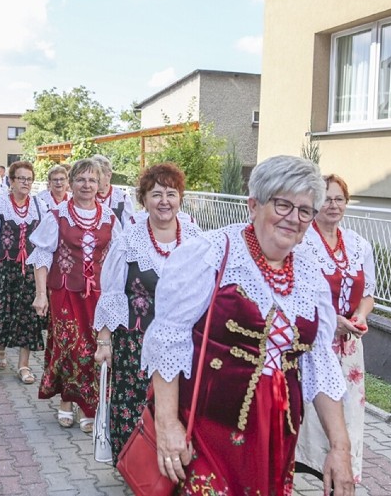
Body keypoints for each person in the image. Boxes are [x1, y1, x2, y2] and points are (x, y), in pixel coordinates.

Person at [141, 155, 355, 496]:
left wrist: (340, 449)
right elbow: (168, 338)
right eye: (283, 204)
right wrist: (168, 425)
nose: (294, 218)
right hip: (207, 427)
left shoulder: (310, 273)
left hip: (276, 431)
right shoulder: (212, 253)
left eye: (304, 210)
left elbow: (320, 363)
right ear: (254, 205)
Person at [93, 163, 202, 464]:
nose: (164, 201)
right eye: (156, 194)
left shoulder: (195, 237)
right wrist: (104, 342)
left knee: (176, 409)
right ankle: (135, 469)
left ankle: (172, 467)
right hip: (135, 343)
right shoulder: (129, 239)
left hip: (182, 343)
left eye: (171, 193)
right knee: (134, 406)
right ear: (143, 200)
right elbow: (112, 291)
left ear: (181, 198)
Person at [27, 158, 122, 433]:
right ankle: (67, 401)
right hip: (65, 292)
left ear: (102, 183)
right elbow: (42, 256)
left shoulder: (110, 218)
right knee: (69, 347)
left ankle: (88, 405)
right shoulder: (57, 215)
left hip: (99, 296)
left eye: (93, 180)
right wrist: (40, 294)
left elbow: (118, 259)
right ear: (71, 183)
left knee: (95, 348)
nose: (87, 185)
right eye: (81, 179)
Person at [295, 174, 375, 485]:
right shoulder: (302, 242)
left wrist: (359, 316)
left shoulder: (358, 244)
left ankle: (341, 481)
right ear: (315, 203)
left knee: (349, 417)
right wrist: (330, 321)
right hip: (313, 342)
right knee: (309, 417)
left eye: (339, 199)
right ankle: (298, 474)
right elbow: (295, 293)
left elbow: (368, 293)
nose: (333, 205)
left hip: (350, 347)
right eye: (326, 198)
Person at [0, 161, 48, 379]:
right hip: (3, 268)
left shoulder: (39, 206)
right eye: (21, 178)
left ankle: (24, 365)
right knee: (2, 312)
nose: (26, 183)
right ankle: (0, 348)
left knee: (28, 316)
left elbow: (45, 243)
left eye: (29, 179)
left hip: (30, 271)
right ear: (11, 181)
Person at [92, 154, 134, 224]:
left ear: (108, 175)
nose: (93, 179)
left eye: (97, 176)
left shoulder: (122, 199)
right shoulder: (87, 195)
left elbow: (129, 228)